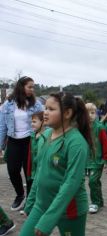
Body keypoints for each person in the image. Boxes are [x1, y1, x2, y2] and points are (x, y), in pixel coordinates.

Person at [20, 92, 92, 236]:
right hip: (42, 205)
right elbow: (40, 171)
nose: (45, 113)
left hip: (69, 210)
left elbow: (71, 183)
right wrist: (31, 201)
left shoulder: (76, 143)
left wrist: (48, 219)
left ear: (67, 113)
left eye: (51, 109)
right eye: (45, 108)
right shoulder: (45, 136)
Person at [0, 76, 43, 211]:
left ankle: (30, 201)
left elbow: (43, 123)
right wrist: (0, 146)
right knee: (12, 170)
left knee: (29, 172)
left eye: (33, 87)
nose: (32, 89)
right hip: (13, 141)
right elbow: (2, 126)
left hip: (30, 141)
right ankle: (20, 195)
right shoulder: (8, 104)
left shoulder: (36, 104)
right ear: (21, 87)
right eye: (30, 86)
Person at [85, 103, 107, 214]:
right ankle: (100, 201)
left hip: (98, 160)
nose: (90, 115)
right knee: (95, 182)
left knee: (92, 181)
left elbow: (105, 144)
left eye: (92, 113)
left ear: (96, 114)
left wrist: (106, 159)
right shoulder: (82, 128)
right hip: (87, 161)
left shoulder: (100, 127)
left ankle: (95, 202)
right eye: (87, 113)